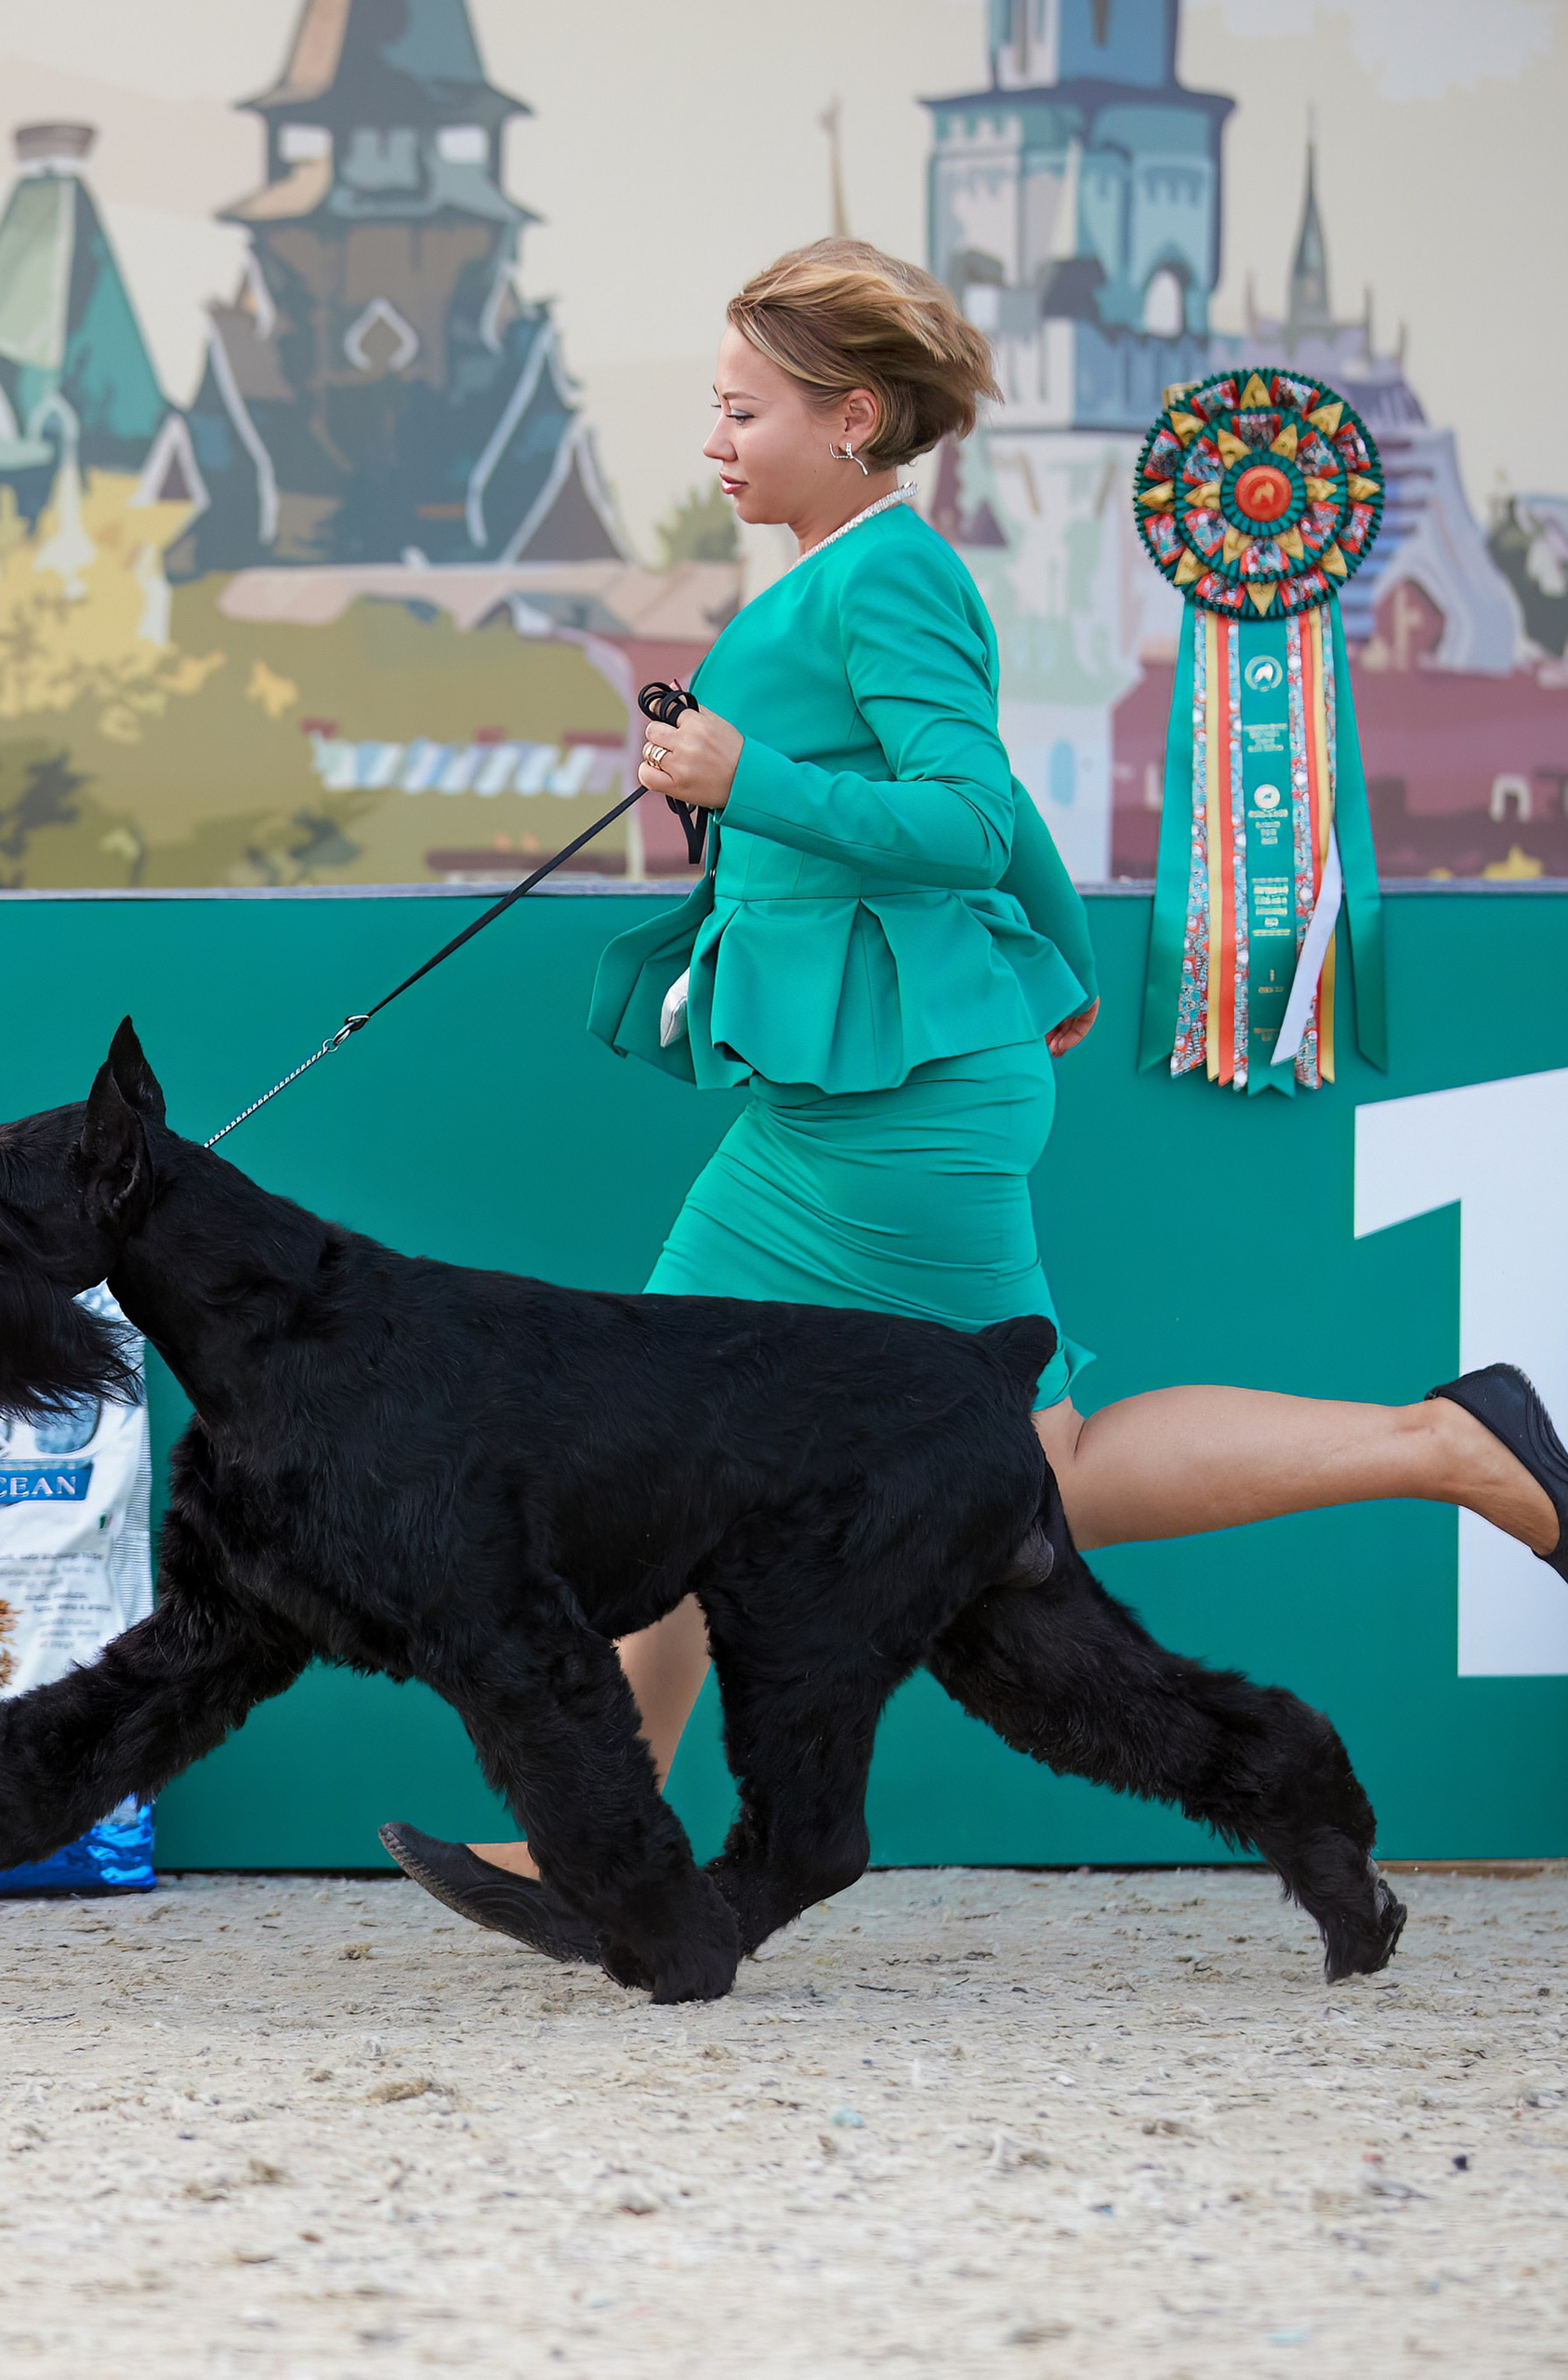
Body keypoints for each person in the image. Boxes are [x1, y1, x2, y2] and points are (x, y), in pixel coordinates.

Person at [380, 238, 1568, 1958]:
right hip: (841, 1090)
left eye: (742, 407)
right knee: (659, 1444)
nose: (713, 439)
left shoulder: (889, 578)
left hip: (893, 1103)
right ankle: (600, 1832)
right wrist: (1061, 974)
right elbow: (1003, 814)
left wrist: (745, 774)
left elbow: (950, 810)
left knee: (1027, 1477)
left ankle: (1452, 1445)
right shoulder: (837, 573)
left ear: (853, 416)